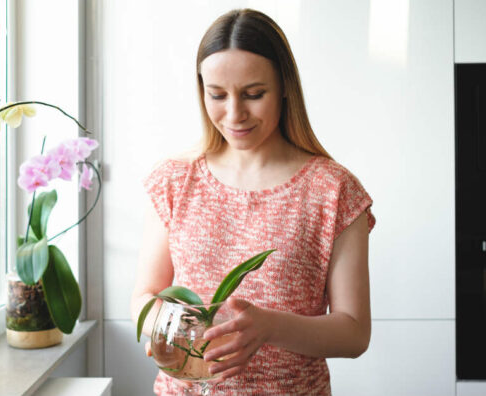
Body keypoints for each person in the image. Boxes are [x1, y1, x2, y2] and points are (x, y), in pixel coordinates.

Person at [130, 8, 375, 396]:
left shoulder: (334, 190)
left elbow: (354, 332)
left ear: (285, 87)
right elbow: (144, 297)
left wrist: (269, 327)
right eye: (217, 95)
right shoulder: (174, 181)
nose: (234, 114)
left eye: (253, 94)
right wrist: (167, 328)